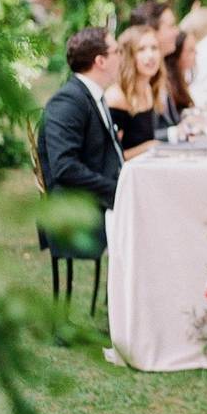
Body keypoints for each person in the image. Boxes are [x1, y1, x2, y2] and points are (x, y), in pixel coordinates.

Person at [37, 27, 123, 259]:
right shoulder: (69, 101)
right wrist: (118, 191)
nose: (121, 57)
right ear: (101, 61)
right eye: (117, 51)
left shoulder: (93, 95)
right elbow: (65, 167)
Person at [105, 25, 164, 160]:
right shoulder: (116, 97)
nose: (150, 56)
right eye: (141, 49)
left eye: (154, 48)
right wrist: (148, 147)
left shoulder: (149, 90)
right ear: (129, 56)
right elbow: (113, 157)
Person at [128, 0, 180, 136]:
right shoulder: (137, 76)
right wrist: (175, 132)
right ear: (150, 30)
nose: (177, 31)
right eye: (171, 26)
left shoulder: (162, 70)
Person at [164, 31, 196, 113]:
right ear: (177, 53)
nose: (196, 53)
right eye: (191, 50)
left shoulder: (184, 77)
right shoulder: (169, 85)